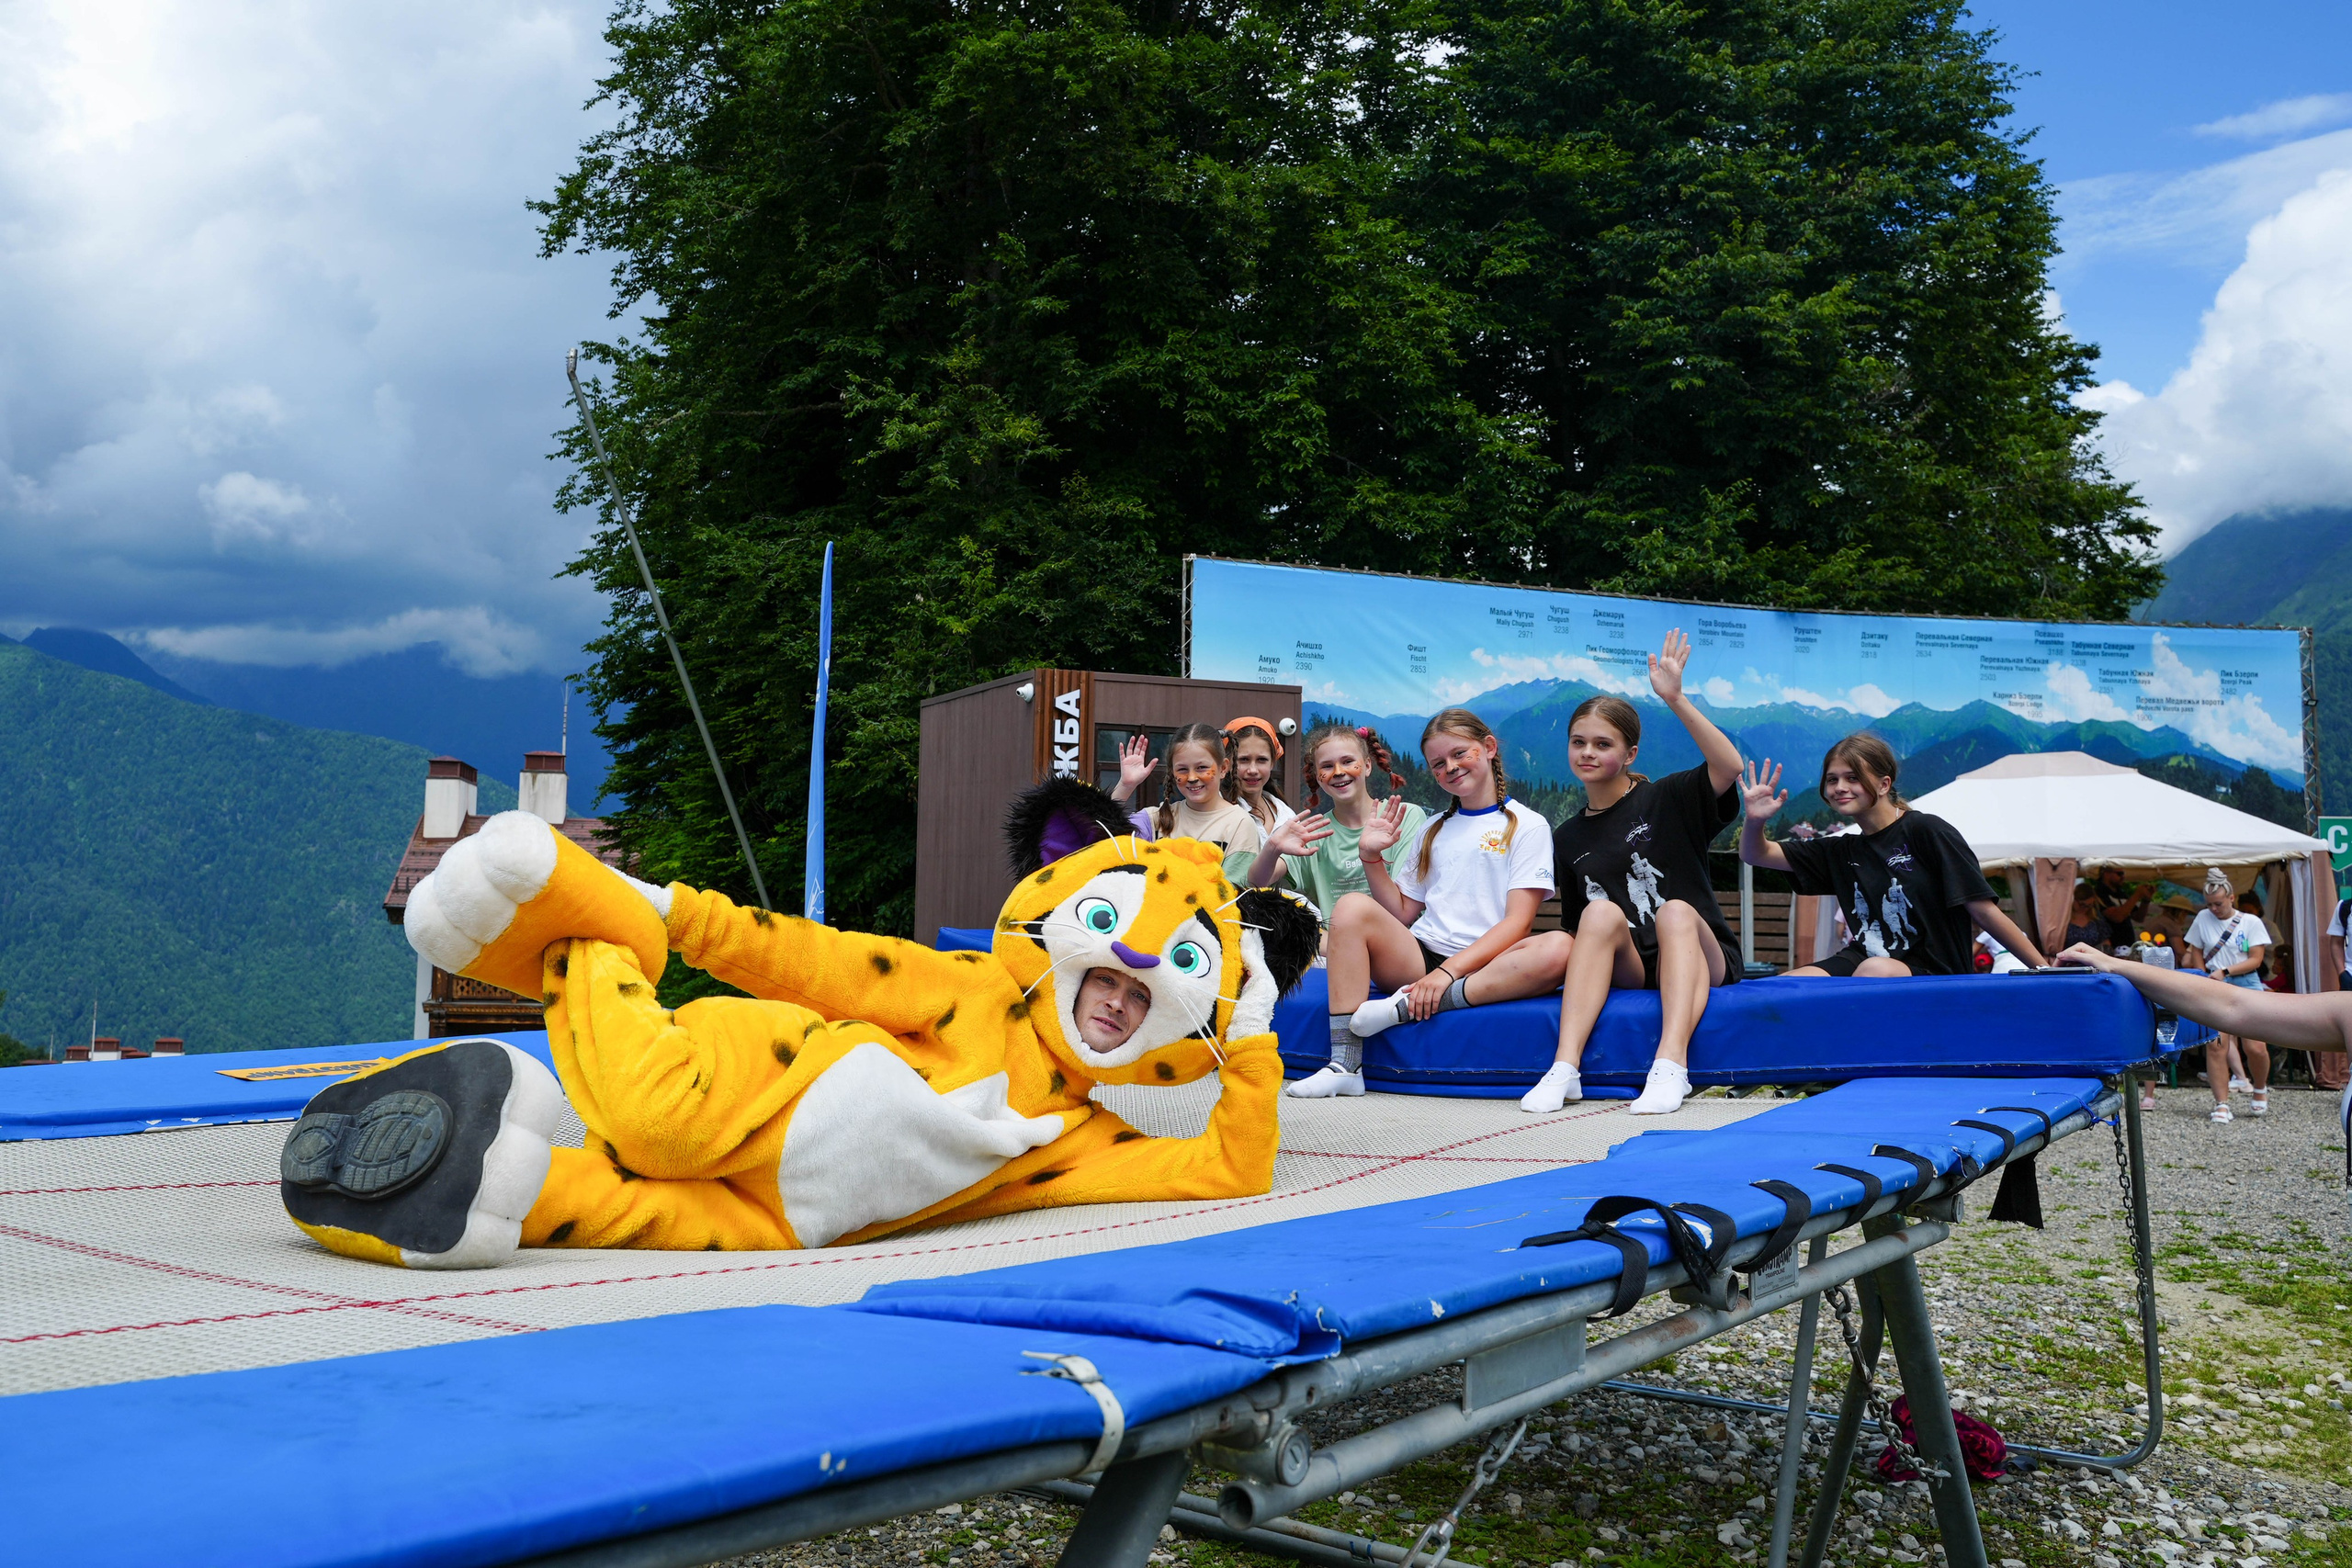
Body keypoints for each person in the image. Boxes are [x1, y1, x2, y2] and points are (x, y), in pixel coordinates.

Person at [1521, 630, 1743, 1117]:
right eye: (1578, 742)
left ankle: (1670, 1066)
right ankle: (1565, 1068)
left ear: (1630, 754)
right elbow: (1578, 930)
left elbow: (1729, 766)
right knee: (1598, 916)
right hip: (1635, 966)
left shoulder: (1668, 798)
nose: (1587, 752)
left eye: (1603, 743)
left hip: (1702, 954)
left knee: (1676, 912)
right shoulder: (1567, 837)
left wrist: (1676, 698)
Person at [1289, 709, 1560, 1099]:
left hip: (1493, 963)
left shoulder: (1527, 824)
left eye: (1460, 754)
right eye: (1438, 763)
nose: (1450, 767)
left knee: (1559, 947)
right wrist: (1370, 857)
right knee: (1350, 906)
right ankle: (1345, 1064)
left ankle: (1402, 1008)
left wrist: (1446, 976)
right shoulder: (1433, 828)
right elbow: (1400, 912)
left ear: (1488, 749)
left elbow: (1518, 924)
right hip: (1420, 957)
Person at [1737, 734, 2047, 977]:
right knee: (1789, 984)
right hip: (1866, 959)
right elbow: (1756, 854)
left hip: (1934, 972)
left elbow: (1983, 910)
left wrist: (2043, 970)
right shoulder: (1841, 849)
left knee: (1874, 971)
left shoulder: (1926, 831)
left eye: (1853, 777)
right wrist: (1755, 819)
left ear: (1884, 784)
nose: (1839, 787)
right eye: (1832, 779)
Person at [1245, 723, 1429, 919]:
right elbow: (1257, 883)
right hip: (1336, 946)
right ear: (1318, 777)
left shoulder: (1405, 817)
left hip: (1398, 943)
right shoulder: (1314, 833)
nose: (1339, 771)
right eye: (1327, 766)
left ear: (1367, 766)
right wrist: (1273, 847)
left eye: (1348, 761)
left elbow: (1403, 911)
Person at [2186, 867, 2271, 1122]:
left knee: (2254, 1046)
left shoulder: (2250, 922)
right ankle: (2221, 1103)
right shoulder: (2202, 918)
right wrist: (2202, 978)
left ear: (2231, 898)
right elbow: (2196, 952)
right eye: (2210, 904)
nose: (2214, 909)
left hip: (2245, 982)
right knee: (2216, 1044)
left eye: (2219, 904)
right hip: (2215, 984)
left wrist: (2226, 970)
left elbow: (2256, 960)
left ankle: (2259, 1087)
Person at [1150, 721, 1264, 880]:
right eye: (1182, 769)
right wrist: (1126, 786)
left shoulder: (1239, 824)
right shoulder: (1156, 817)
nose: (1191, 778)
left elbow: (1233, 893)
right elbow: (1108, 841)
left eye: (1202, 768)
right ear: (1172, 771)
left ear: (1224, 768)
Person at [1224, 717, 1296, 839]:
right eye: (1244, 760)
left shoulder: (1286, 814)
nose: (1253, 770)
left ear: (1272, 763)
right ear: (1226, 764)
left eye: (1261, 760)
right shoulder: (1217, 813)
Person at [2088, 864, 2153, 950]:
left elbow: (2138, 917)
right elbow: (2117, 917)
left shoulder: (2121, 893)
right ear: (2106, 874)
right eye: (2119, 874)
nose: (2123, 877)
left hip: (2126, 945)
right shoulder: (2099, 893)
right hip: (2110, 945)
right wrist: (2137, 894)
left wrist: (2146, 900)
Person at [2064, 886, 2105, 953]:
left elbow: (2105, 942)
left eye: (2089, 905)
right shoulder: (2063, 918)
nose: (2085, 908)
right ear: (2073, 899)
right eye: (2082, 905)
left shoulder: (2096, 918)